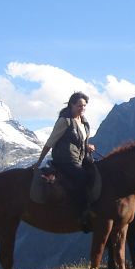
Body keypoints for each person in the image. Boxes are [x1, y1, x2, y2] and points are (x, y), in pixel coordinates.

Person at [36, 91, 96, 232]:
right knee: (82, 177)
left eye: (84, 106)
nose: (82, 108)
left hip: (80, 158)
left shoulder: (84, 122)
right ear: (71, 105)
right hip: (65, 160)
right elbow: (50, 142)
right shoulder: (64, 121)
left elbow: (79, 141)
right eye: (79, 105)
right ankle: (82, 214)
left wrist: (87, 146)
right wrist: (38, 162)